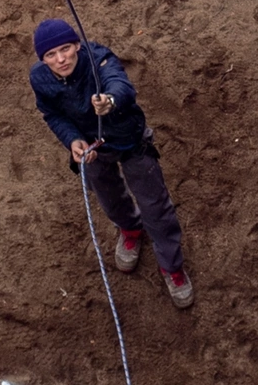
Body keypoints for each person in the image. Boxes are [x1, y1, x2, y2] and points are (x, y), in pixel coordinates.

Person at [29, 18, 193, 308]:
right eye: (51, 55)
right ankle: (130, 229)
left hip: (130, 141)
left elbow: (121, 84)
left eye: (66, 49)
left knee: (156, 207)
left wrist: (110, 101)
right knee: (108, 198)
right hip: (92, 148)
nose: (61, 58)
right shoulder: (40, 78)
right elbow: (52, 114)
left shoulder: (100, 59)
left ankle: (172, 266)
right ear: (42, 59)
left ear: (77, 45)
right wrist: (73, 141)